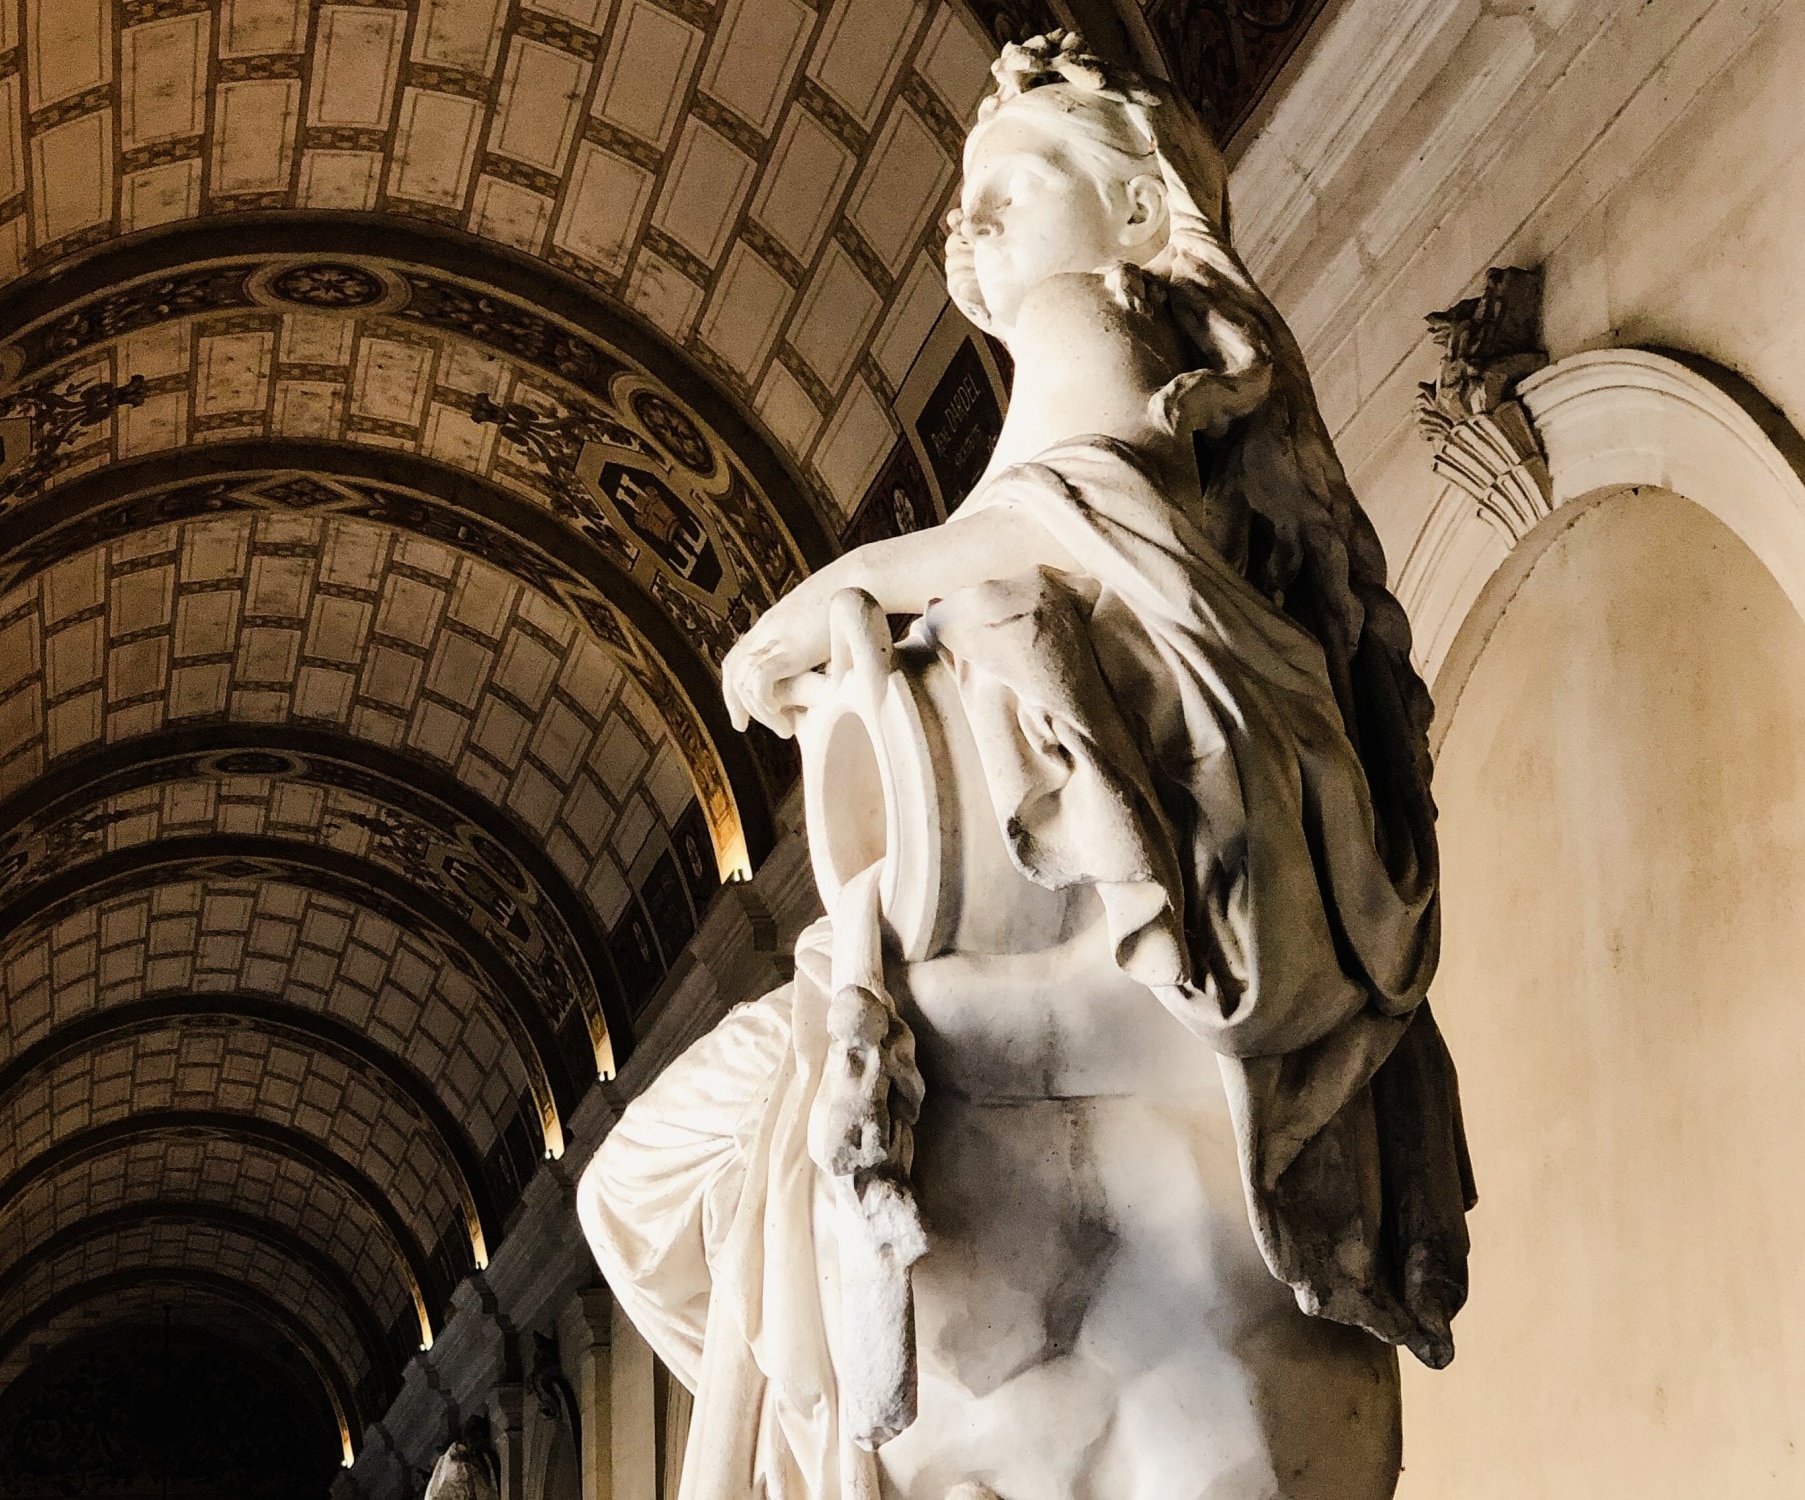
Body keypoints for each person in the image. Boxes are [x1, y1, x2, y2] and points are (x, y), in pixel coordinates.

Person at [583, 32, 1472, 1500]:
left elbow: (1102, 528)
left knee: (703, 1185)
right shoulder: (1021, 498)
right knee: (640, 1196)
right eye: (964, 200)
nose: (966, 222)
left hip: (1094, 1046)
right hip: (930, 1022)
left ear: (1135, 218)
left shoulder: (1126, 496)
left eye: (1018, 182)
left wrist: (857, 585)